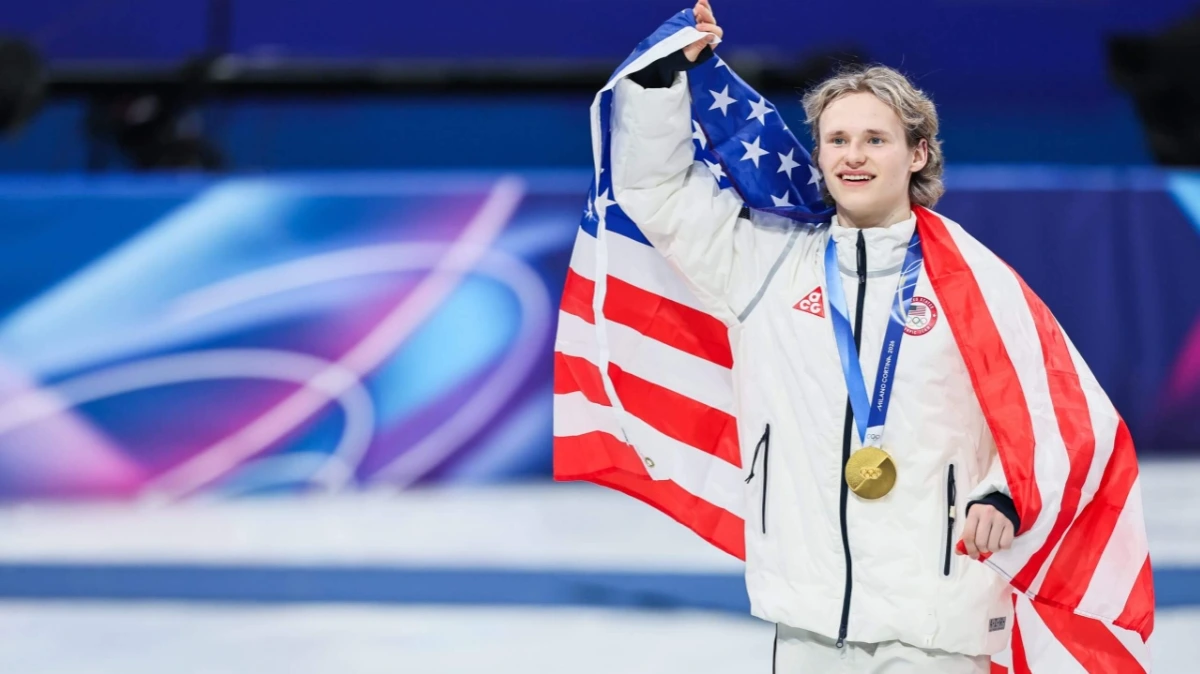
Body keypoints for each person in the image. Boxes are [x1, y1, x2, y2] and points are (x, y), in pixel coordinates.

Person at [608, 1, 1022, 671]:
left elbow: (1043, 411)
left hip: (941, 615)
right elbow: (656, 192)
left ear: (918, 152)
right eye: (837, 140)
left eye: (875, 140)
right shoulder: (764, 265)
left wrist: (1003, 492)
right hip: (808, 614)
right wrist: (662, 81)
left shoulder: (975, 282)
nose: (853, 157)